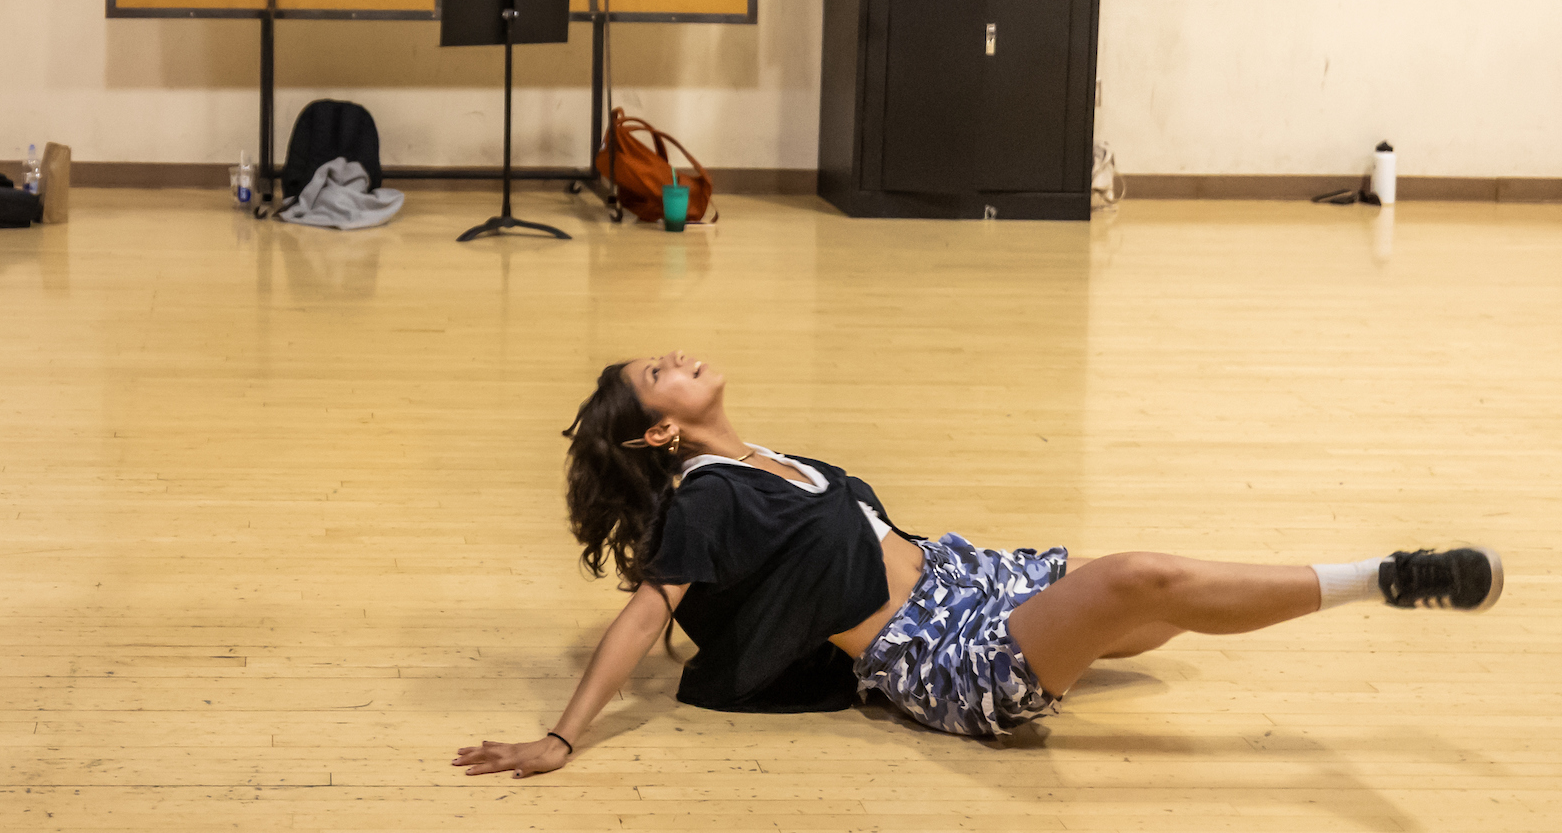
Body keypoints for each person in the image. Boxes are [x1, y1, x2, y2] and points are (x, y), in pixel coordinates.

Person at [454, 351, 1502, 776]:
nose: (677, 357)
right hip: (936, 654)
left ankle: (1342, 584)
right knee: (1143, 579)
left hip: (972, 576)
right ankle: (1389, 576)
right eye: (657, 373)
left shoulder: (770, 460)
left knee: (1166, 616)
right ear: (658, 433)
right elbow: (648, 614)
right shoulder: (708, 498)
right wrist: (560, 735)